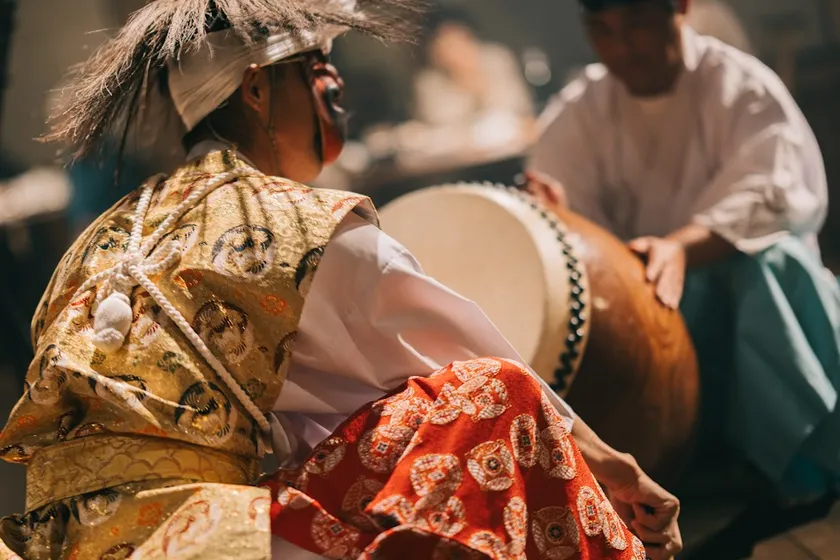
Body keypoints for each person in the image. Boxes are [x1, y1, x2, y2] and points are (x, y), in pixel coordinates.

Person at [0, 1, 681, 558]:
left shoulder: (105, 238)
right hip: (202, 537)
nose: (335, 84)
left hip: (67, 543)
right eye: (315, 65)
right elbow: (479, 361)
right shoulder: (294, 227)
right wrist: (607, 460)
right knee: (492, 394)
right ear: (258, 88)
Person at [526, 0, 840, 504]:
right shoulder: (580, 108)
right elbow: (570, 209)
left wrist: (680, 247)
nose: (623, 48)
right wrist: (561, 219)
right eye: (603, 32)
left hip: (738, 276)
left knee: (775, 263)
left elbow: (773, 192)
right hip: (642, 288)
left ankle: (793, 466)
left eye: (637, 24)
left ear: (680, 8)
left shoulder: (738, 84)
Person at [413, 9, 535, 129]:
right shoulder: (429, 82)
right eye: (446, 43)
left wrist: (479, 84)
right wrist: (460, 81)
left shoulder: (496, 59)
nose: (456, 50)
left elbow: (519, 105)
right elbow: (439, 124)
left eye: (459, 39)